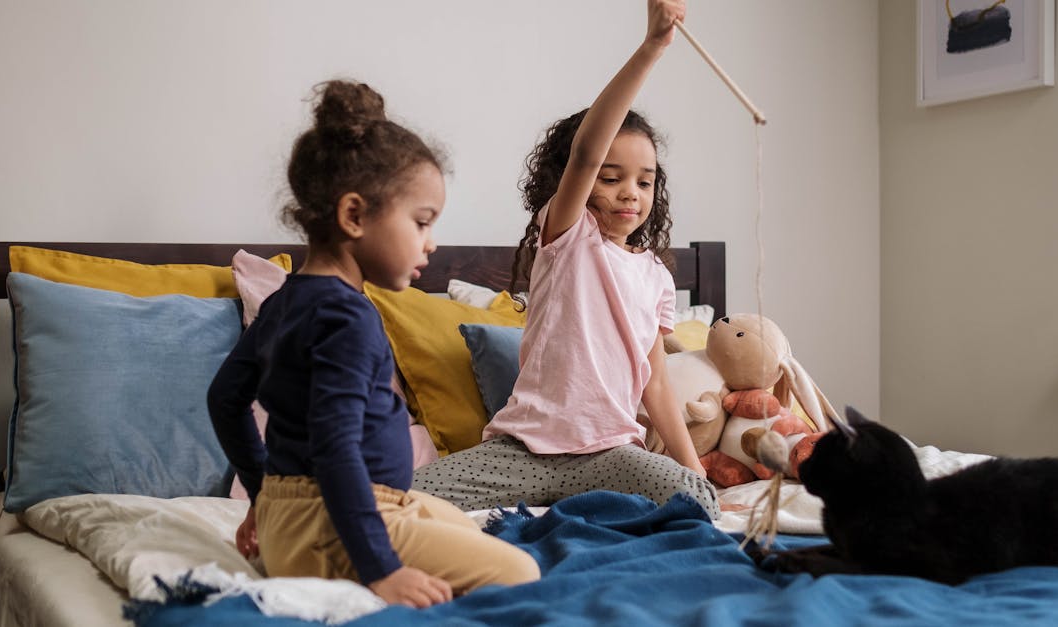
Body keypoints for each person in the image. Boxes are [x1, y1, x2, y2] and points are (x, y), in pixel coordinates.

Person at [207, 79, 539, 609]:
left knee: (466, 527)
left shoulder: (286, 301)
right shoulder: (348, 318)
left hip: (302, 517)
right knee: (521, 571)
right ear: (355, 216)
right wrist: (380, 569)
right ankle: (381, 577)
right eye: (422, 222)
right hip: (333, 526)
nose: (432, 242)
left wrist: (263, 495)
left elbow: (224, 399)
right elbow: (335, 447)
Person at [412, 0, 719, 521]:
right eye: (612, 176)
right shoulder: (568, 237)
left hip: (610, 454)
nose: (630, 193)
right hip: (523, 452)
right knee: (395, 501)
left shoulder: (655, 277)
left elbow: (657, 383)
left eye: (644, 182)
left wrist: (696, 471)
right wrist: (652, 48)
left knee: (700, 504)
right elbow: (585, 153)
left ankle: (585, 512)